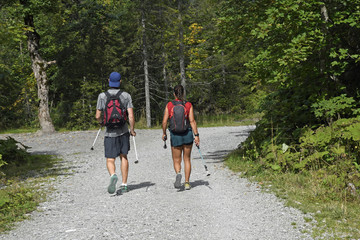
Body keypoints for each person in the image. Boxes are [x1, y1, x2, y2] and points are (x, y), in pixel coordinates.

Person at [95, 72, 136, 194]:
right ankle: (124, 184)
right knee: (123, 156)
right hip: (123, 131)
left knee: (110, 158)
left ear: (109, 81)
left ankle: (113, 175)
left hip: (110, 132)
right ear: (120, 82)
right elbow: (131, 116)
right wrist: (132, 130)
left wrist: (101, 122)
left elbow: (97, 115)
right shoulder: (126, 96)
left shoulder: (102, 96)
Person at [162, 84, 200, 190]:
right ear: (183, 93)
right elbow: (192, 121)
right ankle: (187, 182)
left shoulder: (169, 105)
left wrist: (164, 133)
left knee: (176, 160)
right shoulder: (188, 105)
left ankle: (178, 173)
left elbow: (164, 122)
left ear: (174, 94)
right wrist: (196, 135)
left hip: (175, 135)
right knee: (187, 159)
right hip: (187, 134)